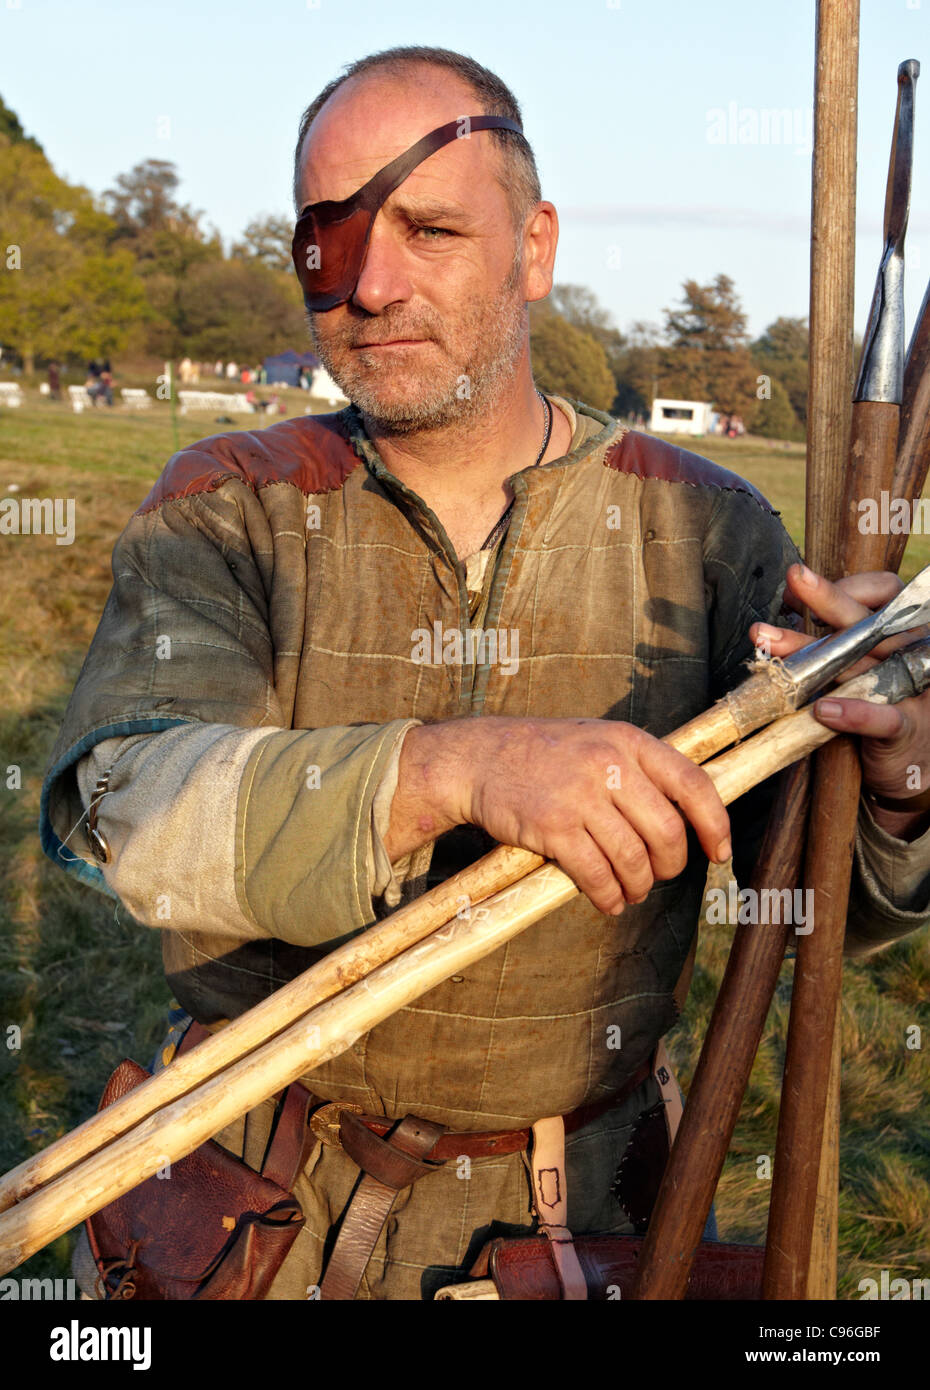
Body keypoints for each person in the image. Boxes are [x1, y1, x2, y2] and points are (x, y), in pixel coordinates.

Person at [42, 46, 930, 1301]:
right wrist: (450, 771)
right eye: (328, 239)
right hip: (251, 1194)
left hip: (590, 1205)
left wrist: (890, 788)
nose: (371, 284)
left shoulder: (706, 524)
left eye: (430, 227)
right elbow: (134, 810)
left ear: (534, 249)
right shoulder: (224, 503)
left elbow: (813, 885)